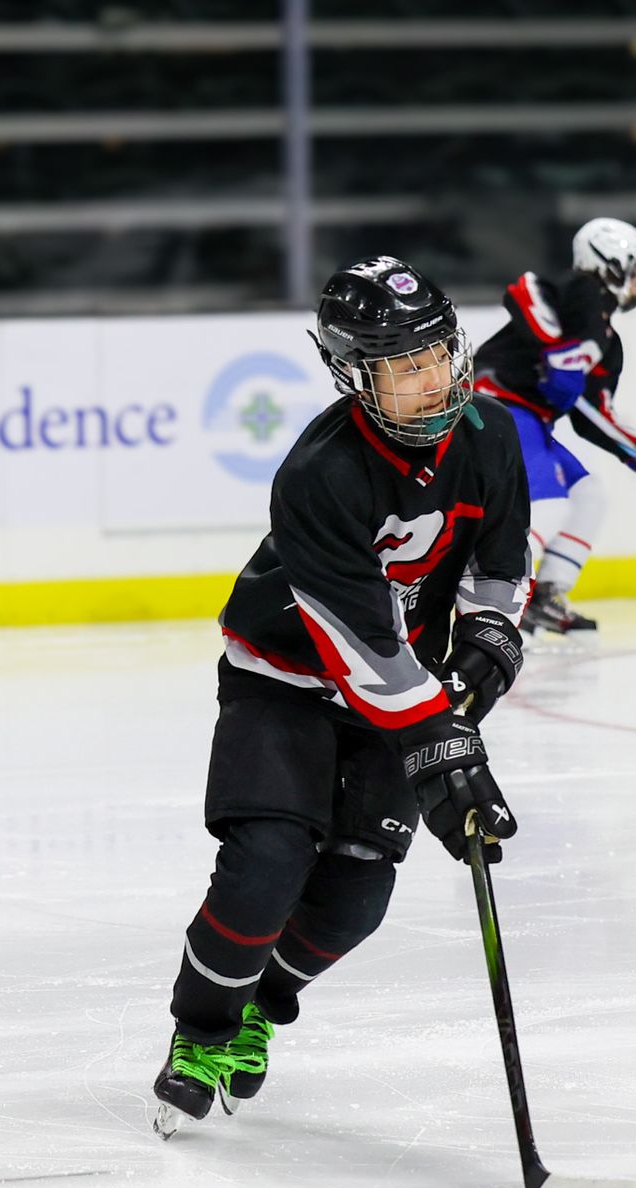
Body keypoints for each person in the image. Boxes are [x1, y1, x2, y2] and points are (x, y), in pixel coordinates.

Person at [150, 256, 532, 1137]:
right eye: (403, 367)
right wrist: (442, 747)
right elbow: (360, 650)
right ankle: (201, 1032)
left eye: (437, 352)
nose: (432, 379)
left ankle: (259, 1005)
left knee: (356, 898)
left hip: (396, 694)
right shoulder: (319, 474)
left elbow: (498, 568)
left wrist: (486, 642)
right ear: (355, 376)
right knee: (267, 866)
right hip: (282, 681)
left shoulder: (491, 436)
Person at [473, 217, 636, 634]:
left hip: (530, 419)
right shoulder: (581, 291)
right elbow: (524, 289)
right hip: (496, 404)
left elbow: (594, 418)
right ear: (612, 261)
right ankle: (500, 598)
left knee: (588, 495)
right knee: (548, 504)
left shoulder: (608, 344)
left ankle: (544, 597)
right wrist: (557, 351)